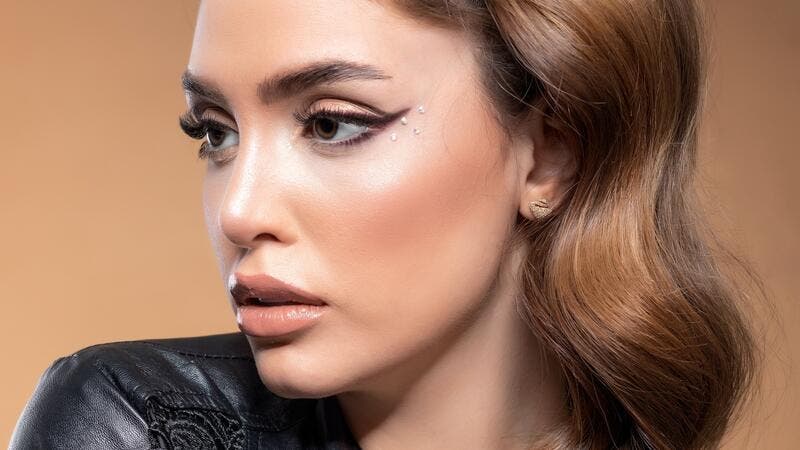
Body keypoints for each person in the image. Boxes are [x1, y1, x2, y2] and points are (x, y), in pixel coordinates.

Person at [10, 0, 763, 449]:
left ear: (550, 153)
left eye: (332, 123)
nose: (238, 211)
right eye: (215, 131)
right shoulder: (137, 425)